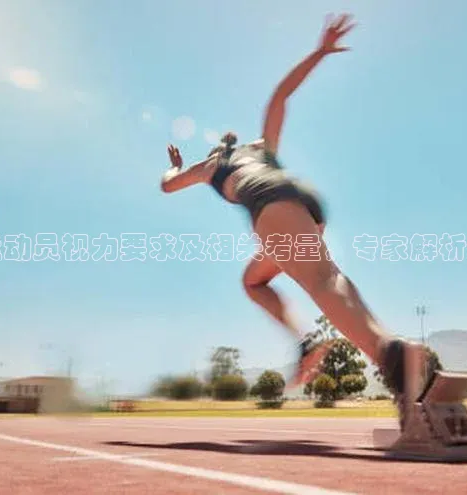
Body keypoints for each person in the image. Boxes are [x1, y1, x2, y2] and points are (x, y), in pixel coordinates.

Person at [160, 14, 429, 428]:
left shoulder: (211, 164)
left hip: (271, 206)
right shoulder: (261, 147)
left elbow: (167, 187)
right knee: (262, 278)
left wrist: (174, 167)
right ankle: (310, 342)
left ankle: (390, 357)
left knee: (318, 281)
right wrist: (319, 52)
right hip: (300, 202)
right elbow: (279, 99)